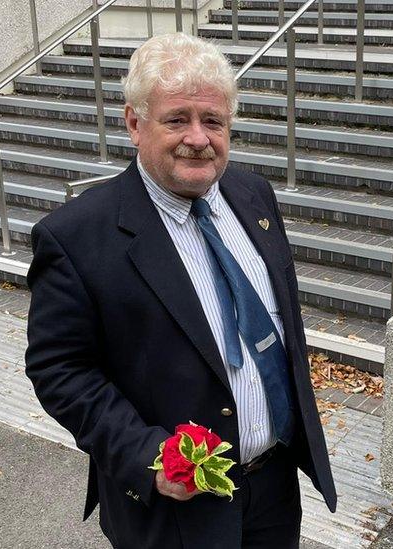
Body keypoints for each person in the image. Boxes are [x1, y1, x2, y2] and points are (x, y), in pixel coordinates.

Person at [24, 33, 336, 549]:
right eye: (177, 119)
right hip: (173, 510)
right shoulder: (78, 236)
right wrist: (148, 456)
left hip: (275, 485)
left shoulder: (253, 193)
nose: (198, 137)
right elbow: (59, 369)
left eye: (212, 121)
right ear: (134, 124)